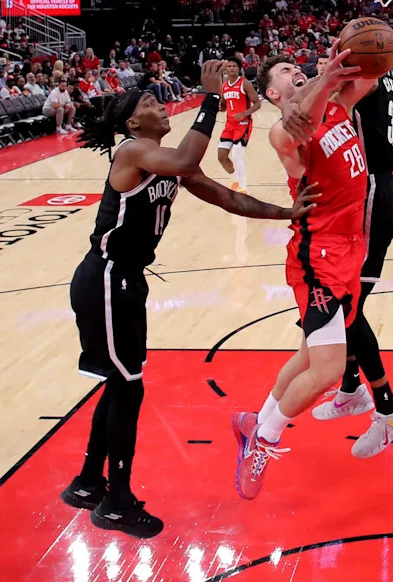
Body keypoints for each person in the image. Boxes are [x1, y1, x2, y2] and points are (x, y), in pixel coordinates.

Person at [59, 61, 318, 537]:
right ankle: (115, 500)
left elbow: (226, 197)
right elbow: (184, 162)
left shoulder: (162, 162)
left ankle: (87, 482)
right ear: (134, 122)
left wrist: (287, 212)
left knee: (120, 384)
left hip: (123, 282)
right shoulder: (134, 151)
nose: (160, 105)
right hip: (106, 280)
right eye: (150, 103)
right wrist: (213, 98)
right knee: (128, 387)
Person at [232, 44, 393, 500]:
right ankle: (264, 439)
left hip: (349, 248)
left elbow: (370, 77)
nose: (297, 71)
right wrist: (328, 77)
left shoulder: (337, 107)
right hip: (319, 260)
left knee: (309, 358)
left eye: (299, 67)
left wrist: (363, 50)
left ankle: (258, 417)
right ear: (272, 93)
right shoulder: (282, 131)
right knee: (330, 369)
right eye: (286, 73)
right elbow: (299, 125)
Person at [308, 59, 393, 457]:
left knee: (346, 305)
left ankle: (388, 409)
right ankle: (353, 386)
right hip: (382, 189)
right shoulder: (388, 85)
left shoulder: (367, 81)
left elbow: (318, 101)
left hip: (370, 192)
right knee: (348, 303)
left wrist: (330, 71)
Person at [218, 56, 260, 193]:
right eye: (229, 66)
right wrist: (219, 107)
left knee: (236, 156)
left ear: (239, 68)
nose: (231, 68)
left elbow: (257, 104)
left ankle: (243, 187)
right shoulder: (224, 86)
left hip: (243, 123)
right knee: (222, 156)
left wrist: (244, 114)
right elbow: (224, 106)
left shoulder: (245, 84)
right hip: (229, 124)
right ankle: (235, 179)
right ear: (225, 69)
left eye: (234, 66)